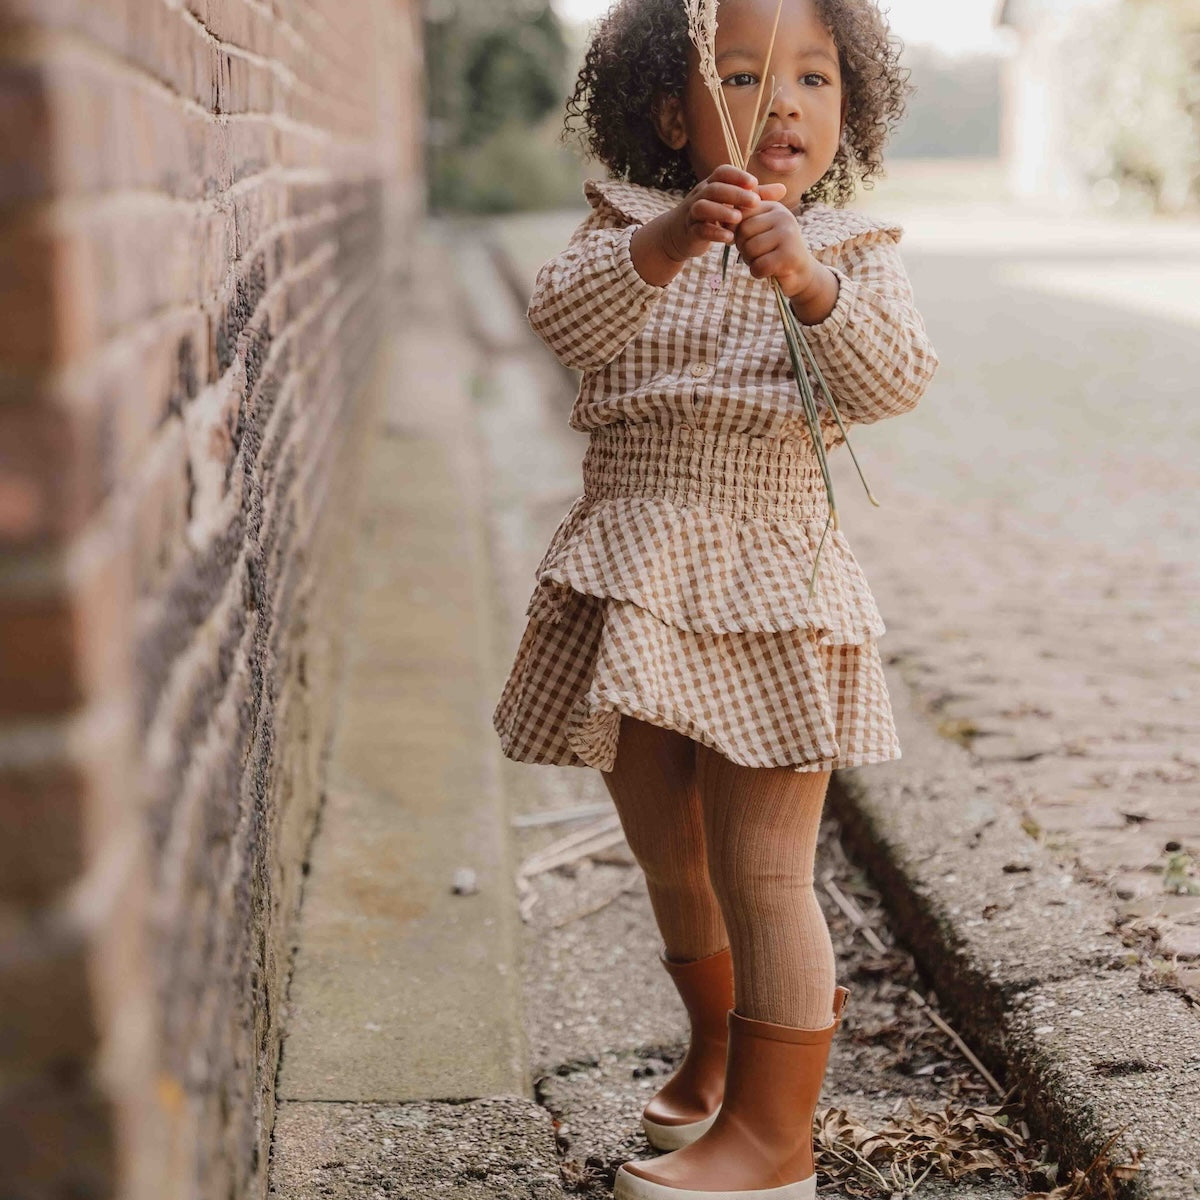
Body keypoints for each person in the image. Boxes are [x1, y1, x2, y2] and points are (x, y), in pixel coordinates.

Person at [492, 0, 939, 1195]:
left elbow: (893, 380)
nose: (782, 103)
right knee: (666, 846)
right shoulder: (625, 227)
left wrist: (806, 282)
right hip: (638, 574)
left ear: (853, 106)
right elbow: (566, 322)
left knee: (763, 864)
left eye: (814, 78)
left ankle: (773, 1138)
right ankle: (716, 1055)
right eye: (741, 76)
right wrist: (679, 237)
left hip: (773, 579)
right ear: (668, 113)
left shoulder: (851, 248)